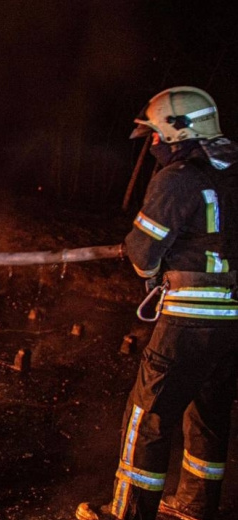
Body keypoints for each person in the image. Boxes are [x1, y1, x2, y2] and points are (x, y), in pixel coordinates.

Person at [77, 86, 238, 520]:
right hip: (232, 321)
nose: (152, 142)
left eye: (155, 133)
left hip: (190, 316)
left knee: (148, 417)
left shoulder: (178, 177)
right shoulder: (232, 171)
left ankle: (127, 513)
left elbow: (144, 253)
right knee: (209, 413)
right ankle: (196, 505)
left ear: (177, 130)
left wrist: (144, 260)